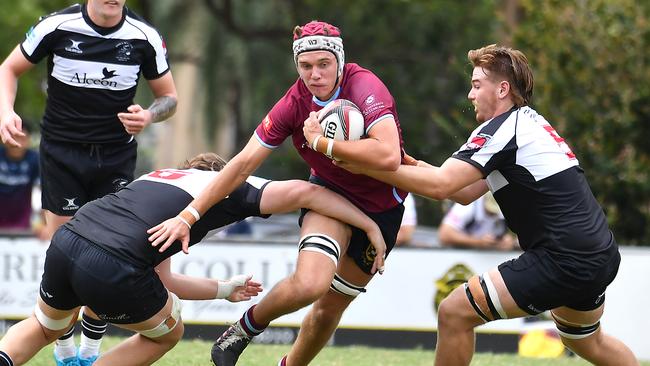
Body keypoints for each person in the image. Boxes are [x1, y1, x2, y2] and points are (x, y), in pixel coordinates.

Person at [336, 44, 638, 365]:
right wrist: (407, 164)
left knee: (454, 312)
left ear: (503, 89)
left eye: (477, 85)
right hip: (598, 253)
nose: (470, 94)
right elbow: (463, 192)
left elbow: (441, 187)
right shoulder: (528, 125)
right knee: (588, 341)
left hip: (563, 258)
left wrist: (362, 163)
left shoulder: (502, 130)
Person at [148, 20, 407, 366]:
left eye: (323, 64)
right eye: (305, 66)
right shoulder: (294, 102)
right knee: (311, 284)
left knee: (327, 311)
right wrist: (189, 215)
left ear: (340, 60)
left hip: (382, 208)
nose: (314, 74)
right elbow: (241, 165)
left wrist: (320, 142)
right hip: (329, 197)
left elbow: (389, 155)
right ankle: (244, 328)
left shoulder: (364, 86)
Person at [0, 152, 388, 366]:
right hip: (113, 260)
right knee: (168, 332)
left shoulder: (156, 177)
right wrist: (370, 226)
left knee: (43, 326)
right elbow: (308, 193)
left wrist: (224, 289)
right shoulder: (230, 186)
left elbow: (162, 278)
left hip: (67, 241)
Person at [0, 2, 178, 363]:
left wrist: (149, 115)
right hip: (62, 154)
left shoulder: (144, 37)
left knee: (108, 251)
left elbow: (169, 98)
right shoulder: (57, 26)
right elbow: (9, 69)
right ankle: (64, 349)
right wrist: (5, 110)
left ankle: (90, 351)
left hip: (115, 156)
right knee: (64, 249)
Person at [438, 192, 518, 251]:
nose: (493, 214)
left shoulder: (506, 209)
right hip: (459, 255)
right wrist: (478, 242)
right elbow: (444, 235)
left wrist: (510, 242)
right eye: (490, 211)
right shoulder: (467, 206)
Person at [0, 122, 41, 236]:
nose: (18, 143)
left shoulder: (35, 160)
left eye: (22, 138)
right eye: (14, 138)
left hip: (23, 227)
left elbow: (44, 193)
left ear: (28, 140)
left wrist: (44, 223)